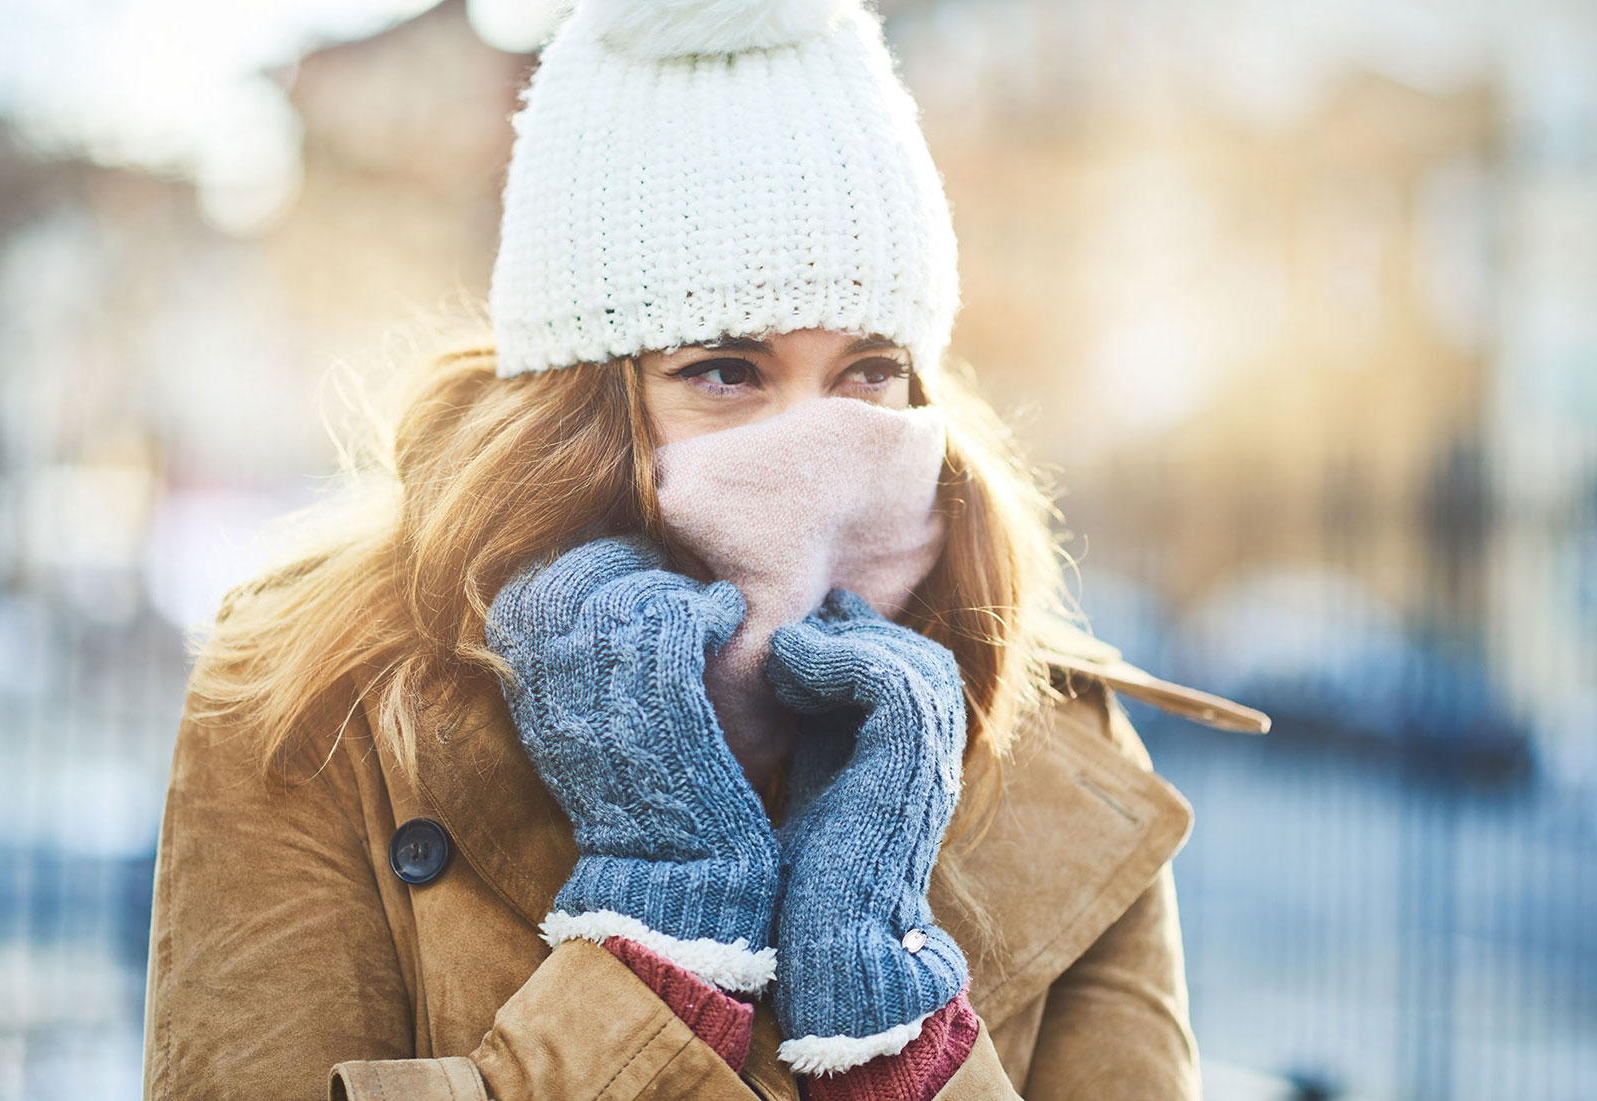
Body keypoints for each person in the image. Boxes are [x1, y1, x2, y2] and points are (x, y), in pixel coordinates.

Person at [140, 1, 1270, 1098]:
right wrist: (656, 955)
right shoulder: (319, 701)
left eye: (868, 370)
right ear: (577, 402)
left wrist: (891, 1039)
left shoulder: (1058, 750)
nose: (815, 446)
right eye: (726, 370)